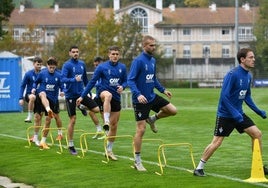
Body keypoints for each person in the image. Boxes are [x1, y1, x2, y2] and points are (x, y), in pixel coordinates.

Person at [193, 48, 267, 177]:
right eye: (250, 57)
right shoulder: (232, 74)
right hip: (226, 115)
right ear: (242, 59)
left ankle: (259, 165)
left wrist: (258, 111)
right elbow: (224, 97)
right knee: (217, 142)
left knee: (257, 134)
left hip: (239, 114)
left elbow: (247, 96)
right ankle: (199, 168)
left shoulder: (248, 76)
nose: (253, 59)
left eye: (253, 57)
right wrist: (235, 114)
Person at [127, 35, 177, 171]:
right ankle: (137, 161)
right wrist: (138, 94)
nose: (153, 47)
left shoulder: (153, 60)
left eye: (154, 45)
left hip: (152, 96)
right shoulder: (138, 61)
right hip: (140, 100)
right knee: (141, 130)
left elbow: (153, 79)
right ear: (144, 46)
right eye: (151, 45)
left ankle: (153, 119)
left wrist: (163, 90)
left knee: (173, 110)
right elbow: (130, 80)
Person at [77, 46, 128, 161]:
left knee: (114, 126)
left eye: (117, 54)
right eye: (113, 54)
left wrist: (123, 86)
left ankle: (109, 150)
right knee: (108, 95)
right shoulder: (102, 67)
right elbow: (92, 82)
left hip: (116, 98)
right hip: (103, 95)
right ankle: (105, 120)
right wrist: (82, 96)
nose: (115, 56)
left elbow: (126, 80)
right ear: (109, 55)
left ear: (119, 55)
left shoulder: (122, 67)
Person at [61, 45, 100, 155]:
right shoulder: (67, 65)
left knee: (96, 109)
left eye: (77, 52)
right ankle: (71, 145)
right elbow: (62, 79)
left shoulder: (82, 64)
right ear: (69, 53)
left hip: (81, 94)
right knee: (73, 120)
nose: (75, 53)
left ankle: (82, 106)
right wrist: (73, 79)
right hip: (70, 96)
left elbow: (86, 81)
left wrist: (88, 93)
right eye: (73, 52)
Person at [32, 57, 64, 149]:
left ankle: (43, 141)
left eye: (53, 67)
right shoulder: (42, 73)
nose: (52, 69)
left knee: (48, 120)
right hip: (41, 96)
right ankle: (35, 137)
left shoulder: (58, 75)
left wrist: (62, 91)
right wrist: (34, 88)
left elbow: (62, 86)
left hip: (52, 100)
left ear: (55, 67)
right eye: (50, 67)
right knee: (42, 94)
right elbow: (35, 82)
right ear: (47, 66)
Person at [19, 57, 43, 123]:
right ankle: (29, 116)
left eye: (41, 64)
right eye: (38, 64)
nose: (39, 66)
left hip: (40, 96)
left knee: (38, 117)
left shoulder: (43, 74)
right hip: (29, 95)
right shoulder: (28, 74)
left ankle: (36, 133)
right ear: (33, 64)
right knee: (32, 97)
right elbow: (22, 86)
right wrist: (21, 98)